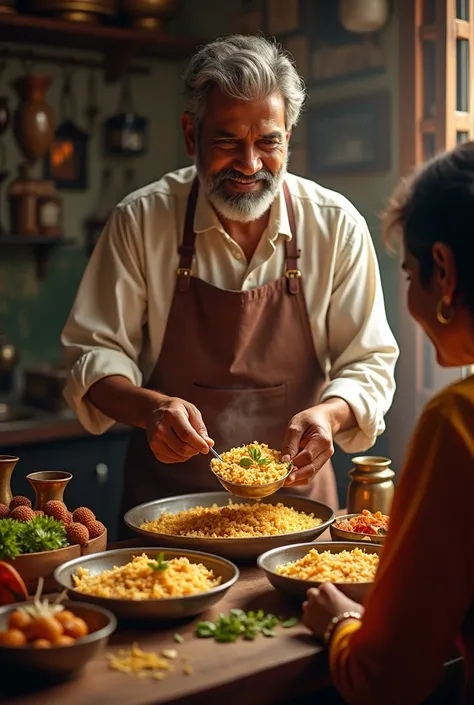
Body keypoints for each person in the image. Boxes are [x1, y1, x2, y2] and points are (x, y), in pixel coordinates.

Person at [61, 34, 398, 517]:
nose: (249, 164)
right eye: (227, 141)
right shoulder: (141, 219)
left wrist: (331, 414)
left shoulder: (335, 225)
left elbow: (369, 362)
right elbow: (93, 355)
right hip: (167, 513)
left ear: (288, 137)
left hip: (297, 514)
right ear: (190, 134)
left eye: (268, 142)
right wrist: (149, 410)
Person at [302, 141, 474, 705]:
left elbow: (387, 679)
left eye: (408, 273)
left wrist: (339, 623)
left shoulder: (457, 421)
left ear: (442, 271)